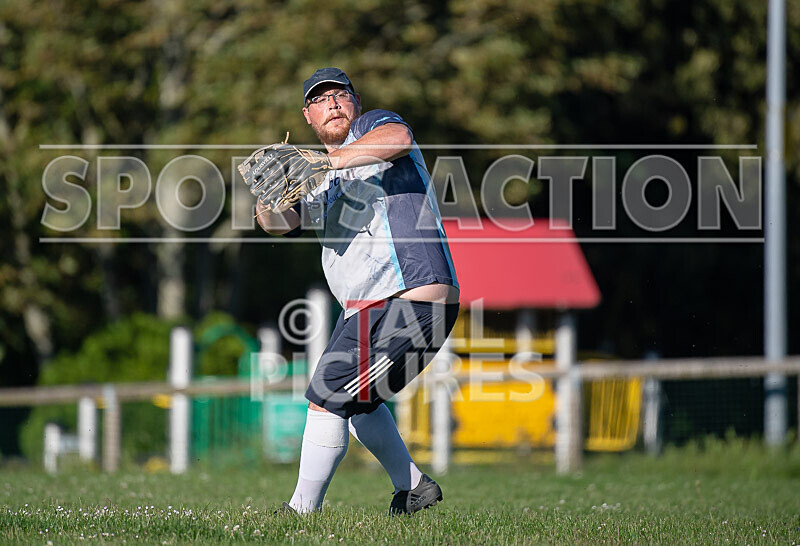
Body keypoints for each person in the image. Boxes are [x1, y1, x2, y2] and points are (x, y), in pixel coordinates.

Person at [255, 67, 459, 515]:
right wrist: (267, 200)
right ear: (306, 116)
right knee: (360, 405)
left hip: (409, 296)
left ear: (356, 101)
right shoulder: (319, 181)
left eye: (339, 94)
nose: (330, 103)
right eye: (319, 99)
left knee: (326, 394)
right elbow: (281, 225)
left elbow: (399, 137)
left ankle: (300, 512)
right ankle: (414, 487)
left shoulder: (370, 130)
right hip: (376, 307)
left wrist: (323, 161)